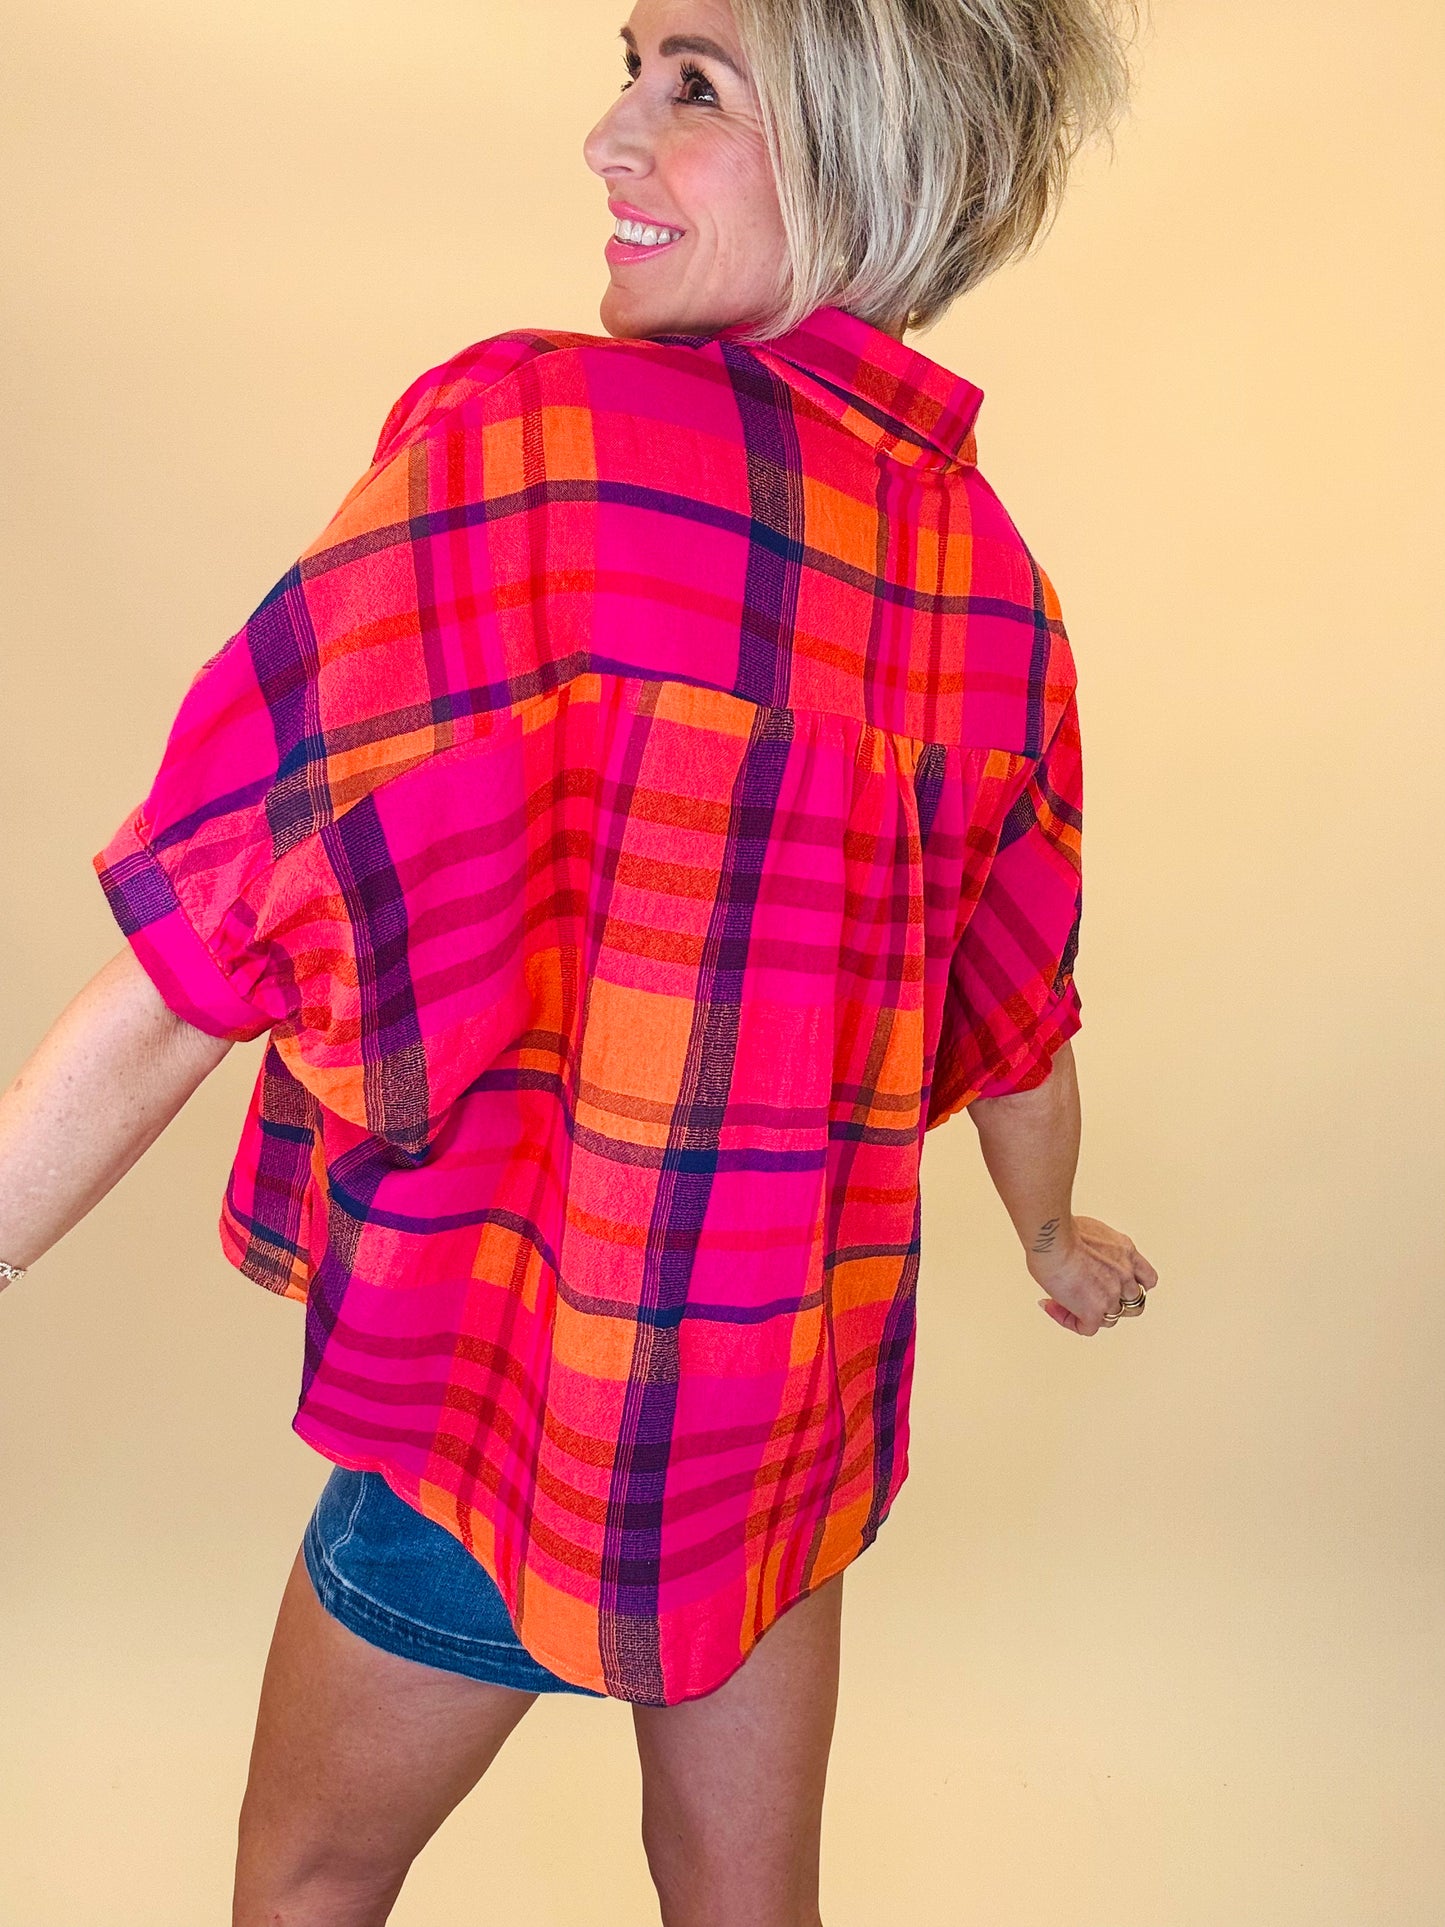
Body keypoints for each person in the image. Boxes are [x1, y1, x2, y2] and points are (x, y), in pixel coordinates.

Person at [0, 0, 1157, 1921]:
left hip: (513, 1392)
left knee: (306, 1883)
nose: (611, 137)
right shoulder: (994, 596)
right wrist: (1049, 1236)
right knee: (744, 1906)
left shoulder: (532, 443)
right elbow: (1014, 1020)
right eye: (625, 69)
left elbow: (215, 929)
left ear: (869, 146)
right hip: (773, 1426)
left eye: (692, 85)